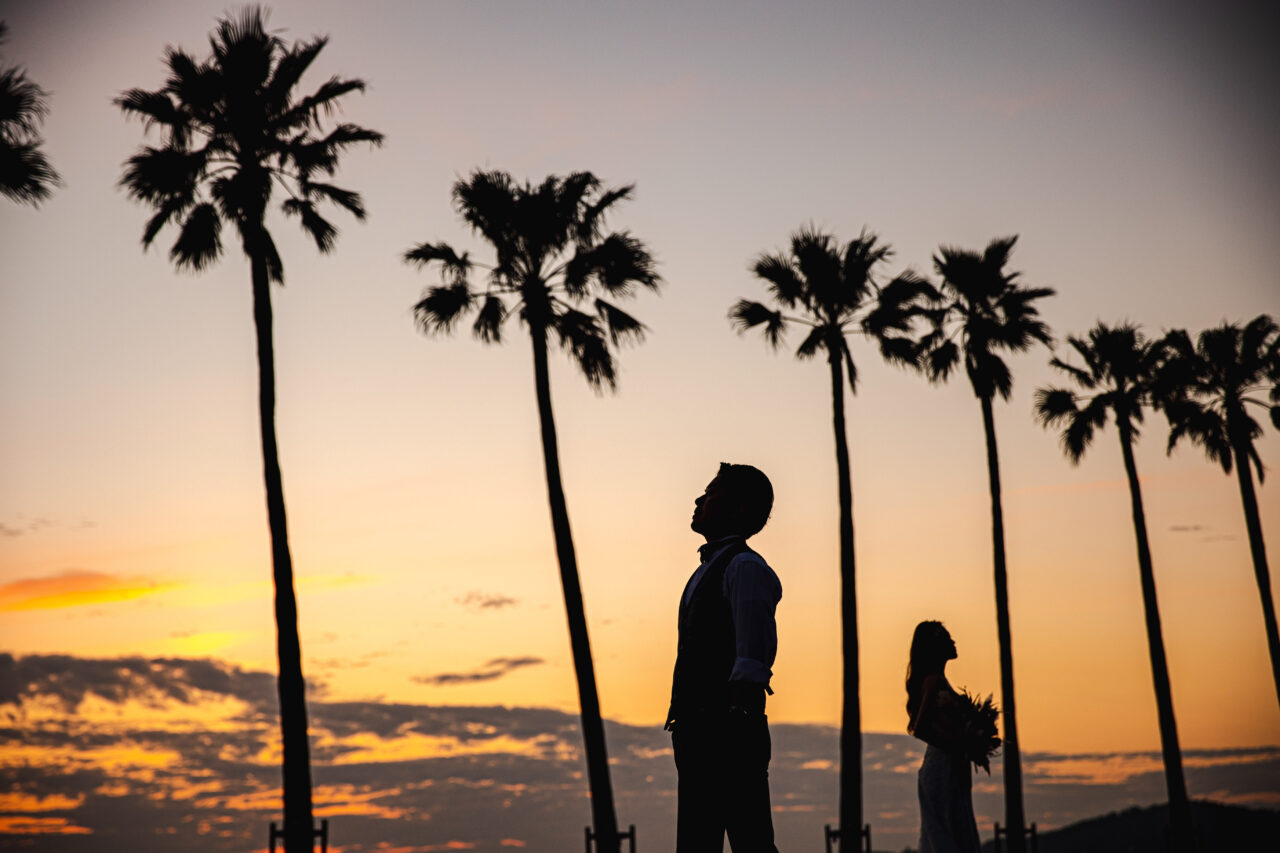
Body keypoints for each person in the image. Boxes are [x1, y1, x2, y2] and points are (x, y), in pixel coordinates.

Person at [665, 463, 782, 853]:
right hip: (700, 732)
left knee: (751, 841)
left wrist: (730, 724)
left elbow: (752, 660)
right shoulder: (710, 568)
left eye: (711, 493)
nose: (700, 499)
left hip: (725, 735)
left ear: (739, 510)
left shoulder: (744, 568)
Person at [906, 621, 982, 853]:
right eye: (947, 638)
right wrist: (956, 745)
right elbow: (918, 728)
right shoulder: (933, 681)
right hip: (941, 765)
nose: (953, 641)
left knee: (959, 825)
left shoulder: (940, 680)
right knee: (943, 830)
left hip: (954, 764)